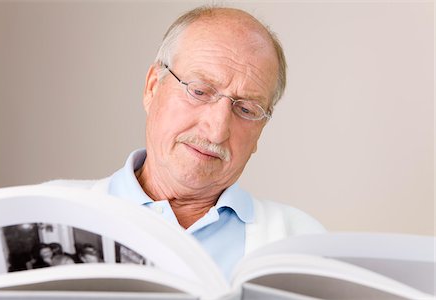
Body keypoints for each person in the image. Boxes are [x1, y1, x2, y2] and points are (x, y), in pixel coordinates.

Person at [46, 5, 325, 278]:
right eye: (200, 91)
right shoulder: (45, 210)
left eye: (246, 110)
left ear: (261, 128)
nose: (217, 130)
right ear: (152, 87)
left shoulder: (302, 240)